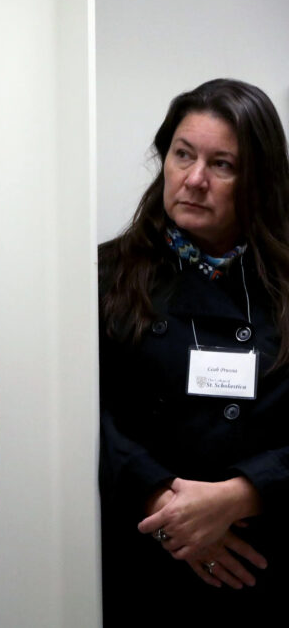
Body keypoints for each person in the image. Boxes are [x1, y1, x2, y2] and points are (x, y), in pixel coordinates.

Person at [99, 78, 289, 624]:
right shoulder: (105, 277)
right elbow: (89, 421)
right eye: (183, 155)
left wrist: (242, 494)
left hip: (261, 553)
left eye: (222, 164)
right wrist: (167, 509)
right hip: (145, 557)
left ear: (258, 179)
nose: (195, 179)